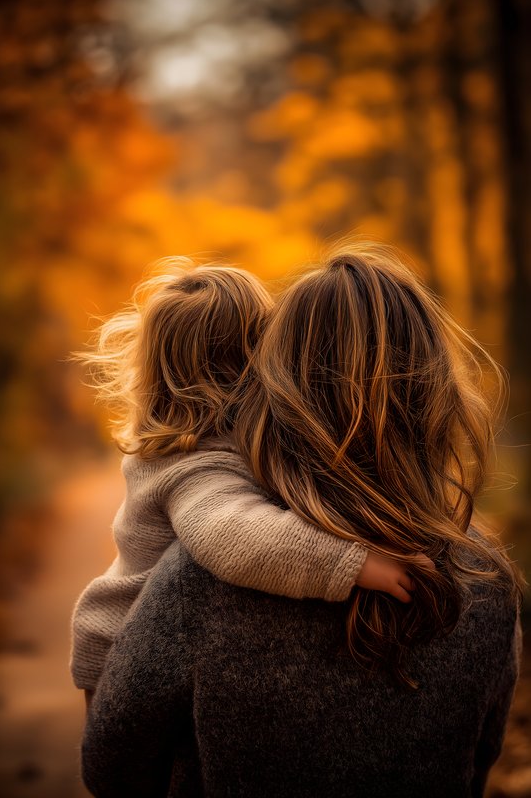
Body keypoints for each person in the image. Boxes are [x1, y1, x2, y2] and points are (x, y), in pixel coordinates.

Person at [82, 245, 522, 797]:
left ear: (280, 386)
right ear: (439, 392)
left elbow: (110, 771)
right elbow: (477, 763)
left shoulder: (200, 580)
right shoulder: (485, 583)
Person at [71, 258, 425, 698]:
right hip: (119, 652)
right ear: (252, 356)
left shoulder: (203, 444)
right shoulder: (193, 466)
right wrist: (354, 564)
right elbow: (236, 537)